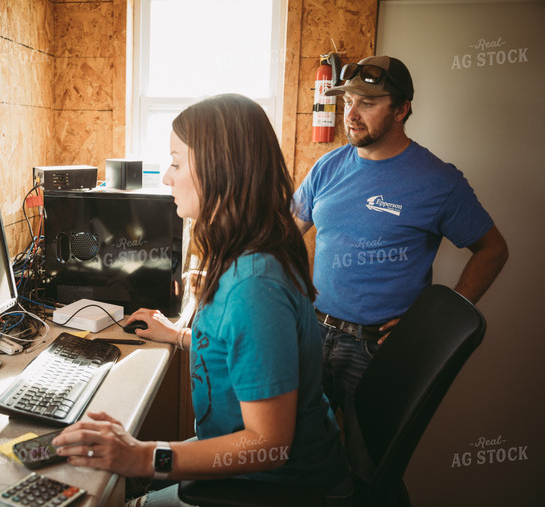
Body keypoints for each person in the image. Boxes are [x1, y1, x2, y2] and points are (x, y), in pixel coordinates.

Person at [52, 94, 352, 506]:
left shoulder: (254, 285)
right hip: (256, 471)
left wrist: (141, 457)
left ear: (219, 170)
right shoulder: (248, 251)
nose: (166, 178)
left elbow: (268, 443)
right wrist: (179, 337)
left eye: (175, 163)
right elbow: (250, 352)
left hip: (277, 488)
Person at [293, 55, 509, 482]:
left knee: (367, 471)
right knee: (303, 457)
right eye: (348, 100)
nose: (351, 114)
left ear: (401, 109)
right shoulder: (327, 168)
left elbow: (493, 250)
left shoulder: (438, 181)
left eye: (368, 103)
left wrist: (431, 321)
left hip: (375, 350)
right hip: (312, 334)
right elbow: (282, 237)